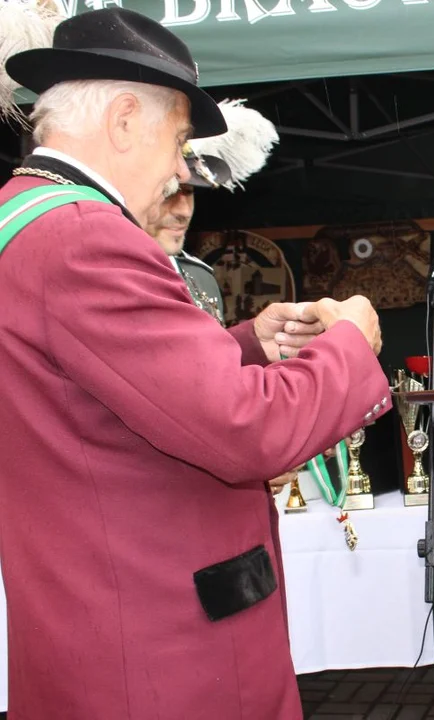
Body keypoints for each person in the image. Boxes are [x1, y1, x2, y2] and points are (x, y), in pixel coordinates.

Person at [0, 8, 391, 718]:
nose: (183, 167)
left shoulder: (21, 219)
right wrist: (349, 345)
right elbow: (246, 432)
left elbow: (87, 392)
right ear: (123, 120)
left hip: (85, 629)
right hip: (161, 655)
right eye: (179, 139)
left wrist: (244, 343)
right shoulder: (87, 238)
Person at [144, 100, 295, 495]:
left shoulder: (200, 277)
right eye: (170, 194)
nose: (182, 212)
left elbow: (212, 385)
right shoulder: (106, 271)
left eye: (190, 195)